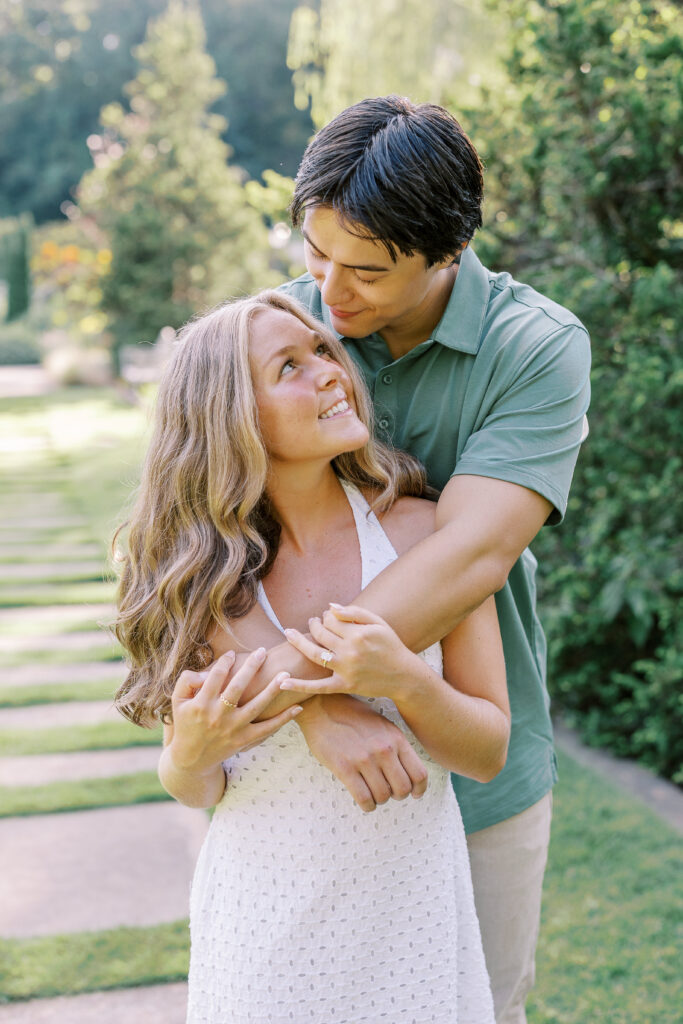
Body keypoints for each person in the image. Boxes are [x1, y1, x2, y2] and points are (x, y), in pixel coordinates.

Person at [230, 95, 591, 1024]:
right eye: (315, 254)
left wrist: (286, 687)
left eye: (365, 271)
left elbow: (469, 554)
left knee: (478, 1007)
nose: (328, 292)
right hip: (303, 785)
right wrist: (315, 712)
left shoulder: (534, 349)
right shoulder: (283, 332)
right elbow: (194, 541)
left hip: (473, 765)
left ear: (447, 252)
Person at [113, 289, 511, 1023]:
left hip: (410, 919)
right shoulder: (201, 583)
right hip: (262, 932)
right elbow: (192, 783)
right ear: (232, 415)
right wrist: (194, 752)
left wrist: (406, 682)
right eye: (289, 367)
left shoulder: (426, 536)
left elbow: (487, 752)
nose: (330, 371)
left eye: (323, 351)